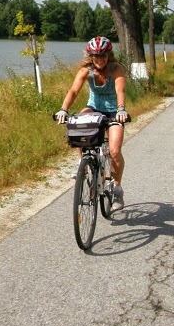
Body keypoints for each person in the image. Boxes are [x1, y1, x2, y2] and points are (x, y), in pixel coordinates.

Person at [54, 36, 129, 210]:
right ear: (90, 56)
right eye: (95, 55)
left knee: (115, 151)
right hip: (94, 107)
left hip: (113, 111)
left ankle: (117, 188)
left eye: (103, 55)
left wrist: (121, 110)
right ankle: (83, 163)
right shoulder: (85, 71)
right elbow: (73, 91)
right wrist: (63, 110)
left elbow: (120, 90)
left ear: (109, 55)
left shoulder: (116, 68)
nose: (100, 59)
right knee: (77, 123)